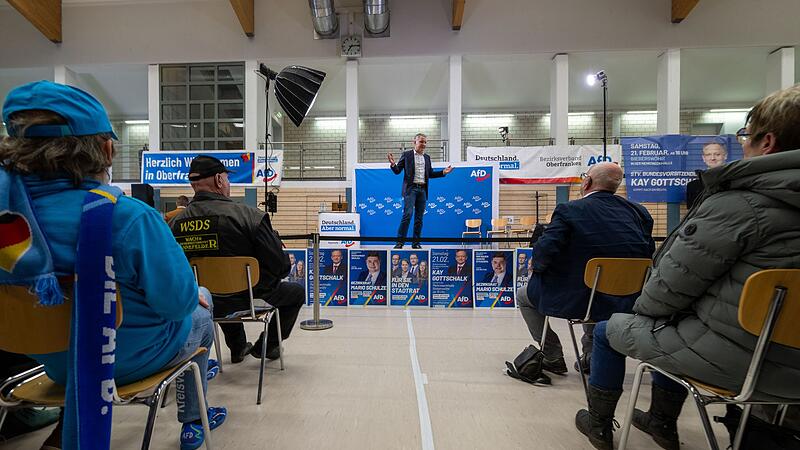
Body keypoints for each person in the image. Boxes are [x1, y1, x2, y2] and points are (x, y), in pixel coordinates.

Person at [0, 81, 225, 449]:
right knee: (200, 305)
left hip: (52, 364)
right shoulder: (128, 217)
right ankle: (194, 420)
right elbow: (177, 304)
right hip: (128, 360)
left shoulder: (9, 223)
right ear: (105, 150)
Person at [575, 85, 800, 450]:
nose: (742, 145)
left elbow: (667, 289)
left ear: (768, 142)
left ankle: (603, 425)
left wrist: (646, 311)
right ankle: (660, 421)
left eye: (746, 136)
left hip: (749, 360)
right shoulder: (639, 212)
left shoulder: (736, 206)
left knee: (612, 329)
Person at [515, 162, 654, 377]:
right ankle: (591, 356)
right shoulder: (639, 212)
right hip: (627, 298)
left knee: (524, 295)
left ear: (587, 182)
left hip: (580, 296)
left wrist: (539, 268)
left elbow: (544, 251)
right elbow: (648, 252)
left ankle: (553, 356)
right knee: (598, 293)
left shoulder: (569, 210)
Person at [171, 155, 305, 364]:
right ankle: (266, 346)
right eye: (227, 178)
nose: (228, 183)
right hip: (248, 298)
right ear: (218, 180)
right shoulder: (250, 216)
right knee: (295, 292)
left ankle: (238, 346)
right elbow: (280, 266)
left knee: (218, 290)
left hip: (203, 300)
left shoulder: (174, 224)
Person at [387, 133, 453, 249]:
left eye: (425, 142)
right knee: (407, 215)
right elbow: (397, 171)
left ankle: (416, 243)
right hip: (411, 189)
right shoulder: (406, 155)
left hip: (423, 190)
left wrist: (443, 172)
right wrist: (393, 164)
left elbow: (430, 174)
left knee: (419, 218)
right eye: (421, 142)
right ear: (415, 142)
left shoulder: (427, 158)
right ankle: (400, 242)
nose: (423, 144)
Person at [685, 140, 728, 209]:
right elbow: (692, 213)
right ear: (703, 158)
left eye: (717, 154)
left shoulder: (734, 182)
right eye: (708, 155)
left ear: (725, 156)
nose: (713, 158)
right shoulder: (693, 186)